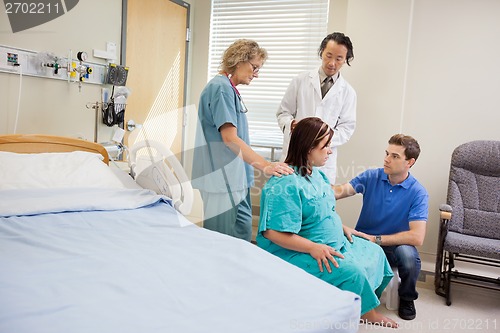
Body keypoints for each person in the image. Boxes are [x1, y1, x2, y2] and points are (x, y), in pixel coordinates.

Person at [257, 117, 398, 328]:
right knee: (353, 272)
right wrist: (313, 247)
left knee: (375, 252)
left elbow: (322, 212)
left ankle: (361, 305)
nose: (330, 151)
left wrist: (342, 228)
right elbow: (272, 233)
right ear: (308, 148)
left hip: (331, 240)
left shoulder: (318, 176)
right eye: (326, 146)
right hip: (297, 251)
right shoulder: (285, 183)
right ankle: (366, 312)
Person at [192, 39, 294, 242]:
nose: (256, 74)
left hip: (236, 180)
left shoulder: (229, 89)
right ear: (239, 61)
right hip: (221, 182)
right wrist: (266, 165)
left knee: (241, 239)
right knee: (220, 244)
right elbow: (230, 139)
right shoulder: (220, 89)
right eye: (254, 67)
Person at [334, 134, 429, 321]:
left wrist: (376, 239)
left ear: (410, 162)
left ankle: (407, 298)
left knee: (409, 255)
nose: (386, 159)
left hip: (392, 248)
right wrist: (311, 183)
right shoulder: (371, 176)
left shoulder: (418, 192)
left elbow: (417, 237)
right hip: (365, 245)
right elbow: (339, 191)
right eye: (387, 153)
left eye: (395, 156)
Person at [276, 32, 357, 184]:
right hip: (294, 156)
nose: (332, 63)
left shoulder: (348, 92)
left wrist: (321, 140)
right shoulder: (300, 80)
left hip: (324, 164)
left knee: (320, 203)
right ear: (321, 53)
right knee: (289, 197)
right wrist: (292, 125)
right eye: (328, 55)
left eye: (339, 58)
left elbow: (347, 129)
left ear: (346, 60)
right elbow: (283, 113)